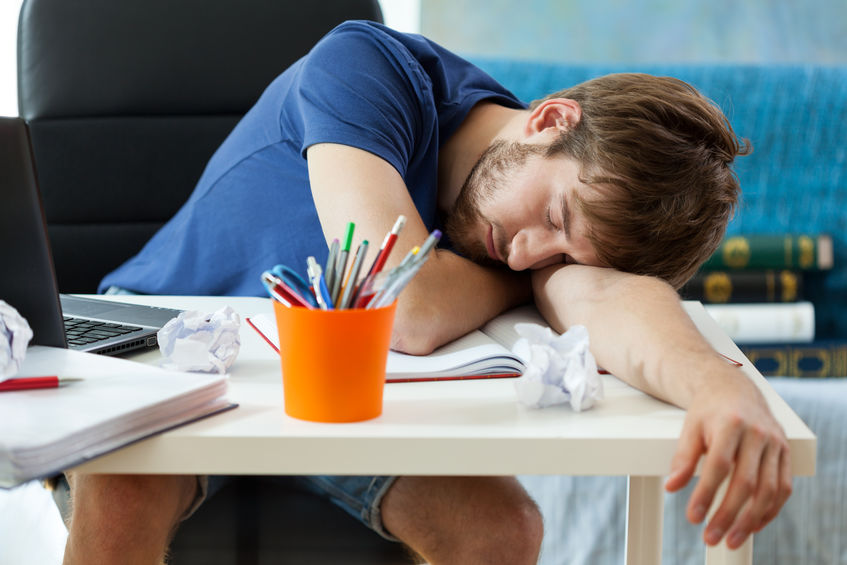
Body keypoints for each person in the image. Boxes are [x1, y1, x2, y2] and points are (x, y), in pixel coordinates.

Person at [63, 20, 792, 564]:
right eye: (553, 217)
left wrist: (716, 387)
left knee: (504, 530)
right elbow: (400, 308)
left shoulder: (537, 216)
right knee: (121, 483)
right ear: (549, 120)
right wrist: (525, 287)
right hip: (177, 351)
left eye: (563, 255)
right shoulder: (364, 66)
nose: (532, 252)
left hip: (343, 393)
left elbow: (613, 304)